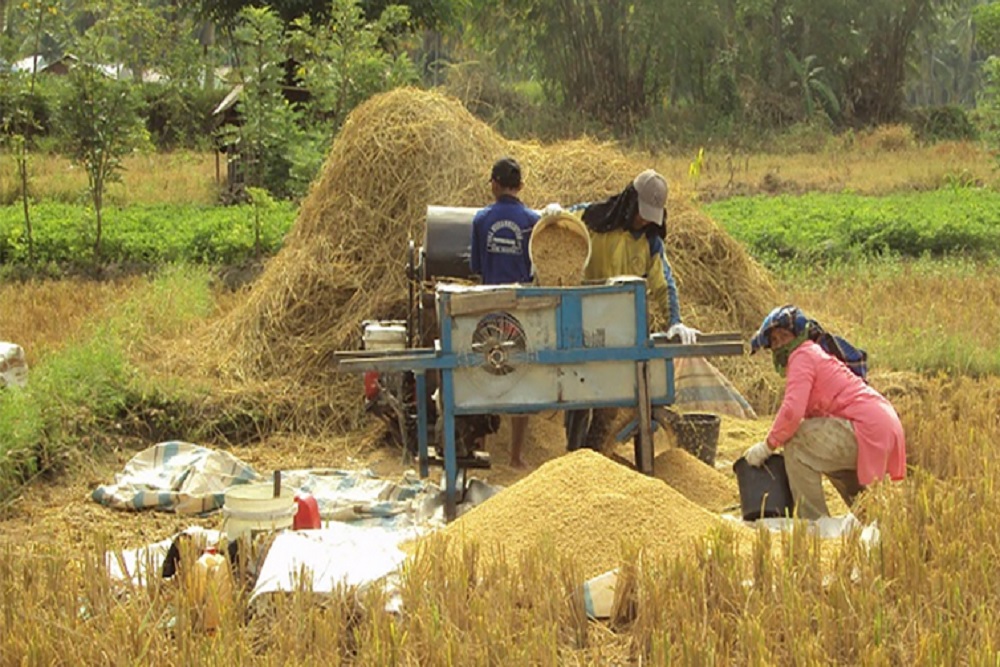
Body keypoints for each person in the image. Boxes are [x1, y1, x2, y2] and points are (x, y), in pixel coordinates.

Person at [556, 169, 700, 451]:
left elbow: (664, 285)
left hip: (622, 331)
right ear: (630, 200)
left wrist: (675, 321)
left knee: (609, 401)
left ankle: (593, 455)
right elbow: (558, 224)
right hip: (582, 323)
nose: (644, 219)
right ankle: (572, 457)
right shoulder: (591, 219)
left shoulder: (649, 242)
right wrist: (552, 215)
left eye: (650, 215)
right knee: (577, 396)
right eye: (641, 212)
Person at [742, 305, 907, 519]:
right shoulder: (813, 353)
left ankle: (813, 524)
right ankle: (871, 517)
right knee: (818, 450)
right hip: (880, 425)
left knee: (797, 441)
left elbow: (792, 411)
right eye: (774, 341)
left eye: (784, 336)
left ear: (799, 334)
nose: (779, 344)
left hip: (867, 426)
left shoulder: (801, 356)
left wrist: (768, 446)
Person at [470, 157, 540, 468]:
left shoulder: (481, 220)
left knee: (483, 375)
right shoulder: (534, 221)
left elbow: (475, 268)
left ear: (495, 185)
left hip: (487, 305)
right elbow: (539, 267)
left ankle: (481, 448)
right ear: (521, 186)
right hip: (522, 308)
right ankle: (515, 456)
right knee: (520, 376)